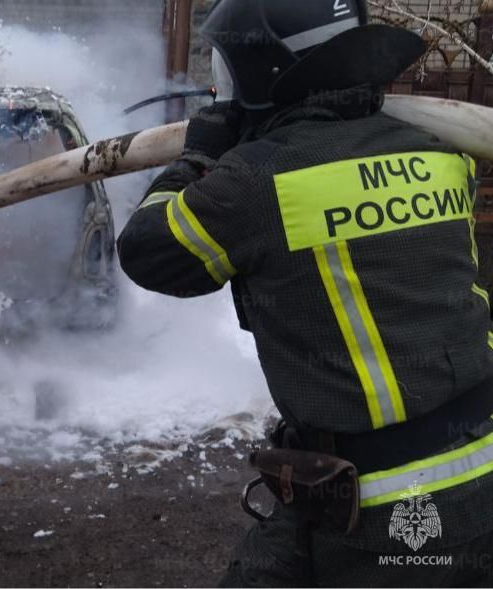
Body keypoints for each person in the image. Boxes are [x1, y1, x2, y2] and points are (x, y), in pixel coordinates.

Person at [117, 0, 493, 586]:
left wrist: (197, 158)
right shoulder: (441, 156)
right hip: (471, 462)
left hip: (386, 502)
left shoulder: (258, 182)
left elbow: (148, 251)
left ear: (256, 68)